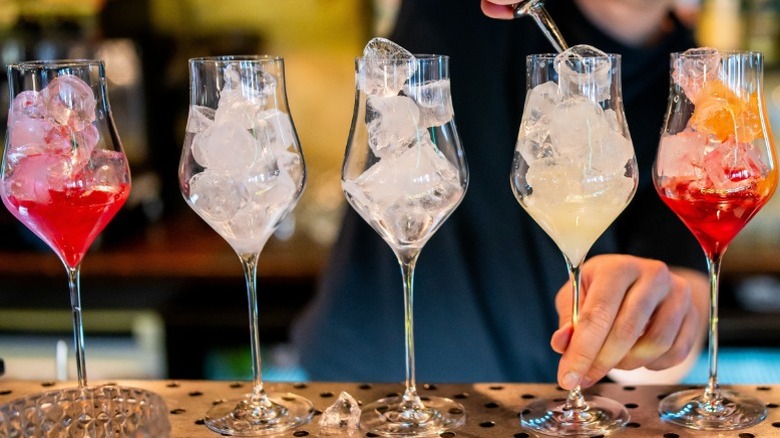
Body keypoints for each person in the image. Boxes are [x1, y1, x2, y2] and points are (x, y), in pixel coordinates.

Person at [292, 0, 710, 390]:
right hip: (371, 388)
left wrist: (655, 318)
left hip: (541, 405)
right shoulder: (471, 9)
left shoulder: (695, 88)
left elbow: (674, 343)